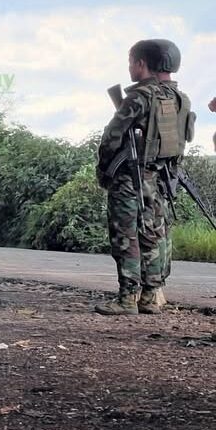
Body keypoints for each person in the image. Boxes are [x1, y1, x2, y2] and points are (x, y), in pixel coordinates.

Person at [95, 40, 186, 315]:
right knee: (152, 234)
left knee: (125, 234)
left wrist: (104, 169)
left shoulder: (140, 96)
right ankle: (149, 297)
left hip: (129, 176)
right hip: (158, 176)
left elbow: (112, 136)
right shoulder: (178, 98)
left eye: (130, 62)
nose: (129, 68)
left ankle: (127, 299)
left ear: (141, 64)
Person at [150, 39, 194, 312]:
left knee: (148, 230)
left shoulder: (151, 96)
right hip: (170, 170)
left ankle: (150, 289)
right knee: (162, 227)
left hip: (150, 172)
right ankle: (158, 287)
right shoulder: (182, 99)